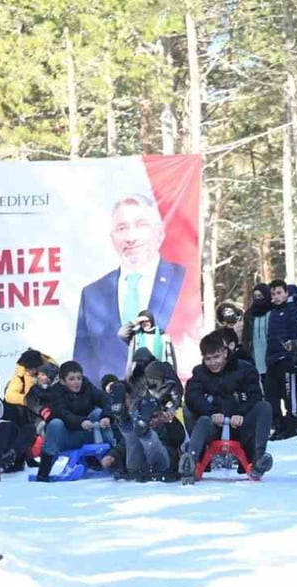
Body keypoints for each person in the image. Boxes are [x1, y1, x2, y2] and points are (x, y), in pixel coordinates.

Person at [73, 193, 187, 379]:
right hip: (110, 394)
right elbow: (84, 362)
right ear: (112, 237)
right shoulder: (92, 294)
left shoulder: (183, 279)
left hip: (164, 391)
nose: (130, 237)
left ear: (160, 233)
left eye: (141, 225)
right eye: (122, 228)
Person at [184, 330, 274, 479]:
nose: (213, 363)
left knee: (264, 407)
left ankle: (258, 458)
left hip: (239, 427)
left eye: (216, 357)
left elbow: (254, 395)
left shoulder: (245, 369)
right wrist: (211, 413)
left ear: (225, 353)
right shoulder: (200, 373)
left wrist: (241, 413)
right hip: (213, 427)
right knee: (194, 413)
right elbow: (192, 396)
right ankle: (192, 460)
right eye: (208, 359)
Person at [29, 360, 110, 481]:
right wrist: (81, 422)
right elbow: (63, 413)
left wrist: (106, 416)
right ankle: (43, 472)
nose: (76, 382)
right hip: (65, 436)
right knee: (56, 424)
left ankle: (111, 459)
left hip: (86, 432)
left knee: (98, 413)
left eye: (79, 378)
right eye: (71, 379)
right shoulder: (55, 392)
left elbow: (104, 398)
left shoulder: (87, 386)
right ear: (63, 381)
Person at [123, 358, 187, 481]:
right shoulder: (140, 402)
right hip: (141, 459)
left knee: (154, 442)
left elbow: (178, 438)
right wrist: (114, 457)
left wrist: (168, 421)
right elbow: (125, 444)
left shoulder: (169, 401)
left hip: (165, 457)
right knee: (134, 438)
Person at [264, 279, 297, 439]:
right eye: (273, 294)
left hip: (287, 359)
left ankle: (292, 423)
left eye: (279, 293)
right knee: (271, 395)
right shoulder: (272, 313)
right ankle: (278, 424)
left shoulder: (293, 310)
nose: (276, 296)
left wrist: (294, 355)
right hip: (272, 360)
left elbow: (296, 334)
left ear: (286, 293)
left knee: (290, 394)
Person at [117, 308, 176, 373]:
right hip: (139, 374)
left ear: (151, 321)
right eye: (142, 322)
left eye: (147, 321)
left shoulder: (163, 336)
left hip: (158, 373)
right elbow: (121, 333)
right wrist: (135, 321)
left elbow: (171, 359)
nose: (145, 323)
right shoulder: (135, 336)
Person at [241, 282, 272, 389]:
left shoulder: (273, 311)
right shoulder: (249, 314)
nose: (258, 299)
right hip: (254, 353)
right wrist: (246, 349)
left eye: (260, 296)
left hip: (270, 352)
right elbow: (245, 335)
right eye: (255, 296)